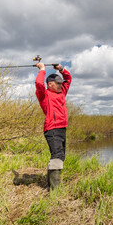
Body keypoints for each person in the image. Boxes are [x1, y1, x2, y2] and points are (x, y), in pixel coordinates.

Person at [35, 62, 72, 190]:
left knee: (61, 156)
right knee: (56, 155)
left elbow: (68, 79)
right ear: (50, 84)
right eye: (58, 83)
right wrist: (42, 69)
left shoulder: (61, 92)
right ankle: (54, 191)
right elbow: (39, 84)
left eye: (61, 83)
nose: (61, 85)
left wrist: (61, 69)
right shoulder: (43, 95)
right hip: (52, 129)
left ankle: (51, 184)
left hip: (62, 128)